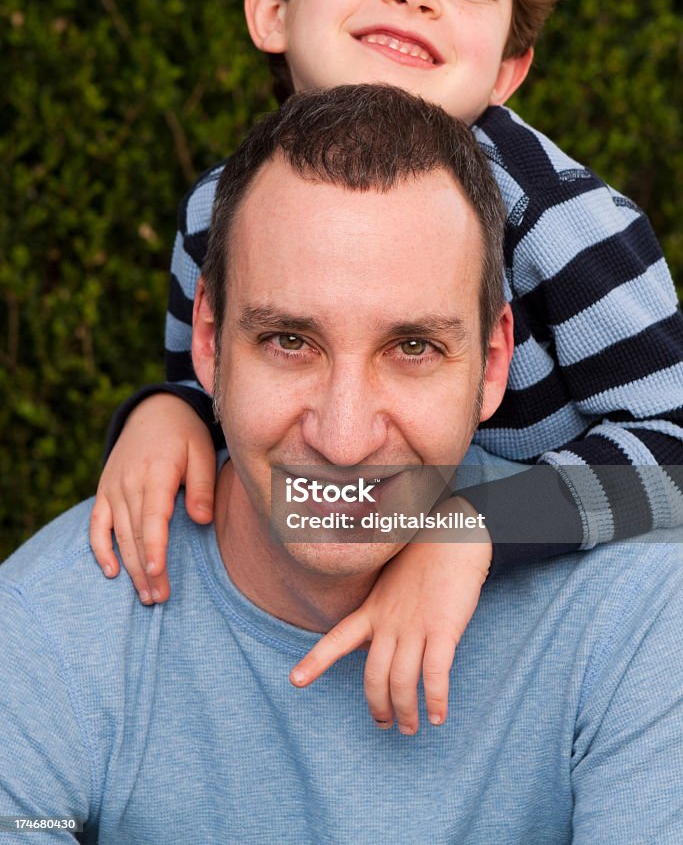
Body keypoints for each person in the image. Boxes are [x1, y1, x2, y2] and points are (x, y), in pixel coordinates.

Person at [91, 0, 683, 734]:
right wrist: (162, 414)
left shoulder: (565, 222)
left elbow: (676, 456)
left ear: (508, 68)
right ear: (272, 9)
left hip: (553, 630)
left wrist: (473, 529)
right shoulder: (220, 212)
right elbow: (219, 389)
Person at [2, 86, 682, 844]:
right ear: (207, 340)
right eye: (289, 341)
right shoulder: (49, 626)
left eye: (412, 348)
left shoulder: (637, 623)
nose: (345, 437)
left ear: (492, 365)